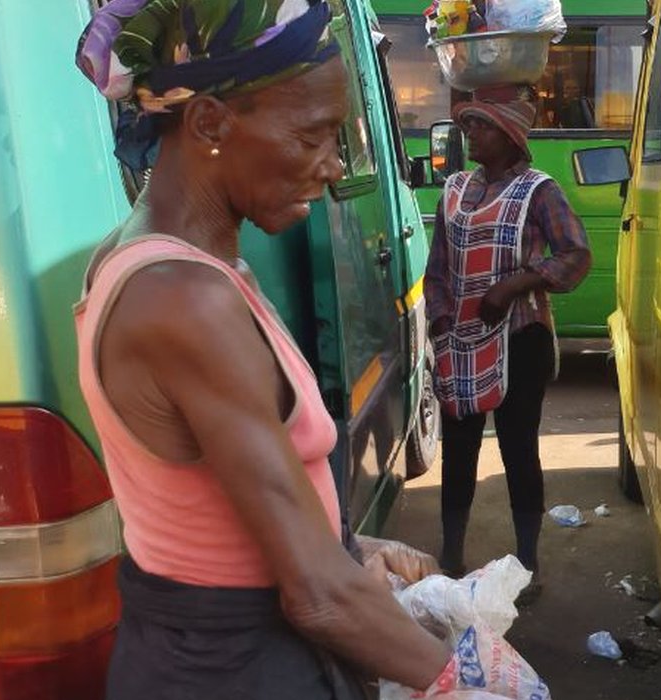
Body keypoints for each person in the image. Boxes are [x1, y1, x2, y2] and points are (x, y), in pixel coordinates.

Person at [73, 1, 450, 698]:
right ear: (211, 122)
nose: (335, 167)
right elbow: (320, 599)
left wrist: (353, 547)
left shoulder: (148, 261)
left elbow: (199, 518)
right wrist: (481, 681)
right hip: (237, 674)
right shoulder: (185, 299)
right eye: (314, 136)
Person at [424, 84, 591, 602]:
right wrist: (440, 323)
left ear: (509, 136)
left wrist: (514, 285)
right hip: (462, 340)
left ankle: (526, 565)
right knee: (459, 449)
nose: (468, 132)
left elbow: (574, 256)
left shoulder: (540, 191)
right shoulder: (453, 190)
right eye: (467, 123)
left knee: (519, 449)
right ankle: (451, 556)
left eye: (479, 125)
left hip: (522, 339)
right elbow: (437, 270)